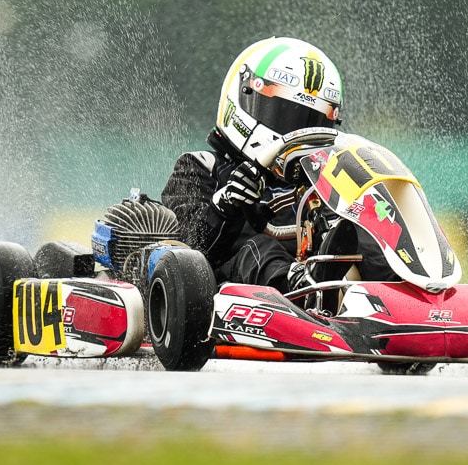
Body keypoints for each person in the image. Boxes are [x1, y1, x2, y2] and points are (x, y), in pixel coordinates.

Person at [161, 36, 394, 295]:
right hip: (221, 290)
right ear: (245, 97)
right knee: (258, 247)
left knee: (361, 231)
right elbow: (188, 250)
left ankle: (413, 297)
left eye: (311, 123)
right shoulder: (200, 168)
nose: (297, 133)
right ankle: (299, 291)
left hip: (317, 283)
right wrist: (225, 207)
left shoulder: (317, 184)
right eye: (285, 115)